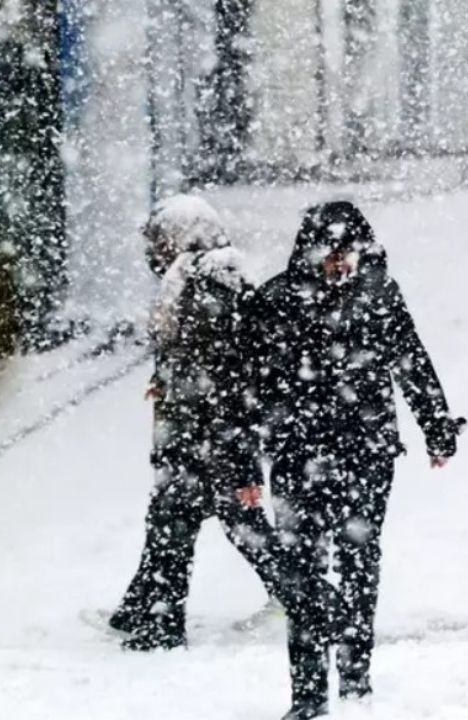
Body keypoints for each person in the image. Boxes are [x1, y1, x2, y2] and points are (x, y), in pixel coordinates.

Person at [251, 201, 463, 719]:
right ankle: (307, 692)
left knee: (358, 559)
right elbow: (248, 377)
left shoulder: (378, 295)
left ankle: (354, 676)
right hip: (298, 455)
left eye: (347, 250)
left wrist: (437, 427)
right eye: (329, 251)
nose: (338, 261)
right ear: (309, 250)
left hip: (366, 452)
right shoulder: (279, 299)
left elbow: (411, 360)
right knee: (301, 566)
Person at [107, 195, 323, 651]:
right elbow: (195, 354)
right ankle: (145, 611)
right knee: (183, 522)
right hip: (197, 430)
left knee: (186, 523)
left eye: (159, 239)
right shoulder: (195, 277)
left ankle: (165, 623)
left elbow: (225, 368)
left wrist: (230, 443)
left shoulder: (208, 283)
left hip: (207, 434)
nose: (153, 250)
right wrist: (165, 378)